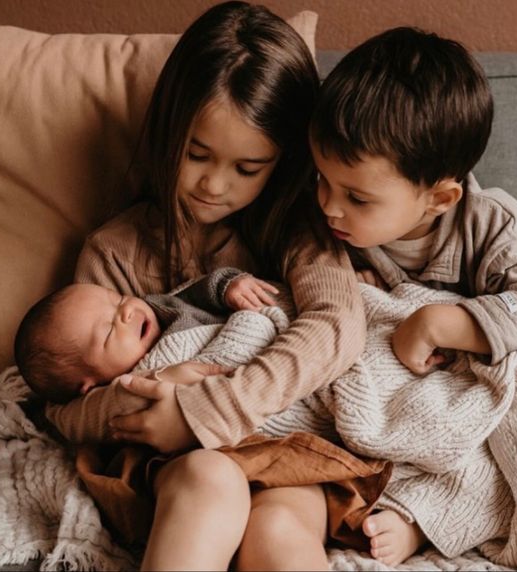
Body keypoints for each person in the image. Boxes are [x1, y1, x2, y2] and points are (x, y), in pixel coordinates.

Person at [63, 2, 386, 571]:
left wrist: (212, 406)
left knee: (282, 529)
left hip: (282, 448)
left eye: (247, 168)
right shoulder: (114, 251)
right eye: (197, 155)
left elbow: (336, 325)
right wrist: (161, 393)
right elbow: (68, 403)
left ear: (281, 161)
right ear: (169, 132)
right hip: (176, 460)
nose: (215, 185)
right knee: (211, 481)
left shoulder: (298, 231)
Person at [309, 26, 517, 565]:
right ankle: (502, 501)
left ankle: (472, 506)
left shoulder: (491, 224)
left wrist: (446, 322)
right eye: (321, 180)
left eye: (356, 197)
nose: (329, 207)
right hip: (411, 410)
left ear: (439, 197)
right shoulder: (326, 231)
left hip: (496, 400)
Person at [14, 268, 275, 403]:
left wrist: (228, 286)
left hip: (271, 351)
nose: (127, 312)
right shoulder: (132, 391)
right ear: (90, 386)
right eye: (108, 330)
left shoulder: (167, 309)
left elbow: (200, 291)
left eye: (118, 300)